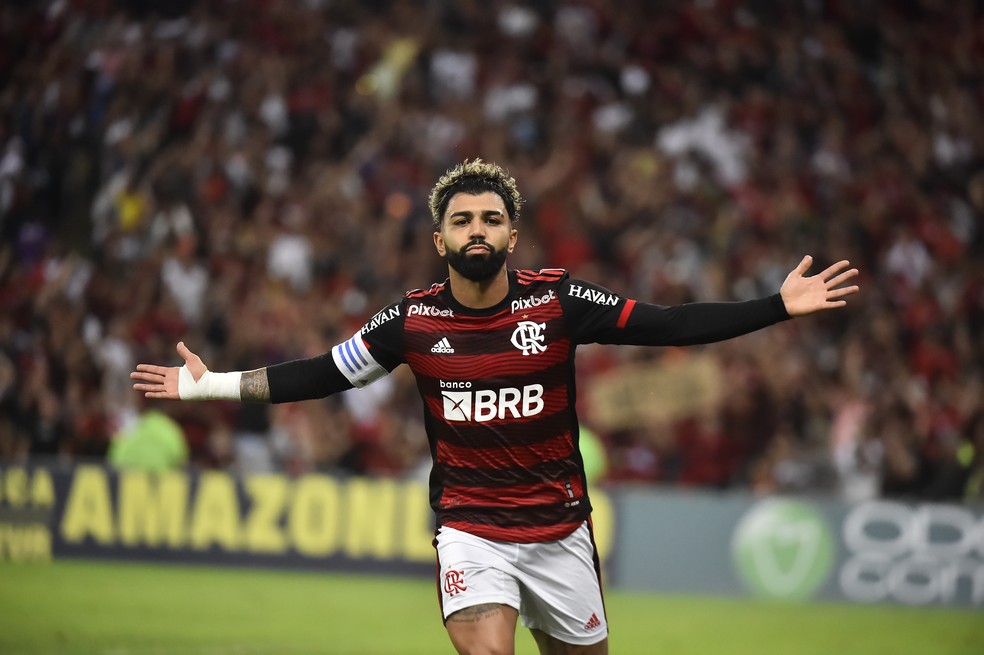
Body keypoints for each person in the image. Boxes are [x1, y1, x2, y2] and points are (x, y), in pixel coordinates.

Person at [131, 159, 860, 655]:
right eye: (461, 219)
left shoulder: (559, 301)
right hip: (471, 527)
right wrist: (211, 384)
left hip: (560, 531)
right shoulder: (409, 322)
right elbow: (322, 373)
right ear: (440, 237)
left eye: (489, 218)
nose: (475, 229)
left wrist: (776, 306)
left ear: (512, 232)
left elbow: (669, 324)